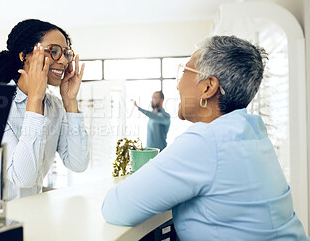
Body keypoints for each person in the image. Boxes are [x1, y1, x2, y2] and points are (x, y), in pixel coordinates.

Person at [102, 36, 308, 240]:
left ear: (208, 87)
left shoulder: (206, 141)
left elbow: (115, 207)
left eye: (184, 72)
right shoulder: (253, 130)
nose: (177, 85)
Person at [0, 19, 90, 213]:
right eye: (53, 51)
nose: (64, 61)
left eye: (66, 53)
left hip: (31, 210)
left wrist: (70, 101)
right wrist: (35, 99)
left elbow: (78, 163)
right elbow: (23, 177)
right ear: (24, 55)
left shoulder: (55, 106)